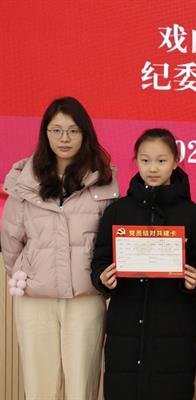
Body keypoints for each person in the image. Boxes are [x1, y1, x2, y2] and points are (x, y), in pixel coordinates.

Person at [1, 96, 118, 399]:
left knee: (82, 385)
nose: (64, 138)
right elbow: (11, 238)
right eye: (56, 130)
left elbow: (111, 240)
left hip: (86, 298)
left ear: (85, 133)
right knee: (39, 385)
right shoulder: (24, 179)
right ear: (45, 133)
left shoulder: (105, 179)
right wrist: (27, 273)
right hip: (35, 298)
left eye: (73, 130)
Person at [91, 128, 196, 400]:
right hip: (125, 325)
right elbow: (100, 261)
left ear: (176, 162)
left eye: (161, 160)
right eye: (145, 160)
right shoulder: (117, 211)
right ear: (136, 161)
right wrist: (102, 278)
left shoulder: (192, 214)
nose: (153, 168)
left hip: (174, 326)